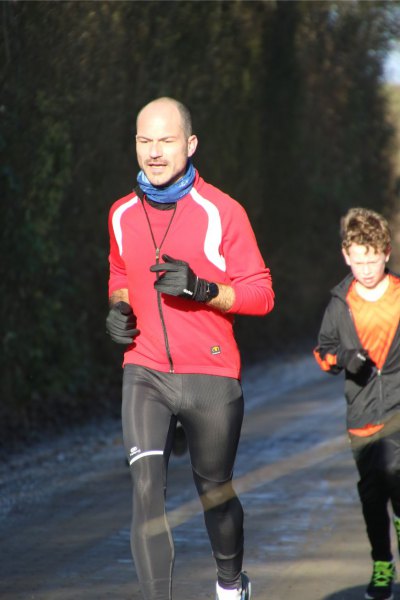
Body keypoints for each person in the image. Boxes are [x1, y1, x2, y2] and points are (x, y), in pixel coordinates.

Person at [106, 97, 275, 600]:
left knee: (215, 493)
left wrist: (202, 288)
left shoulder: (222, 211)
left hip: (211, 376)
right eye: (145, 141)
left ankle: (231, 585)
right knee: (145, 493)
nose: (154, 152)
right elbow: (120, 273)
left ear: (191, 144)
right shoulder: (121, 213)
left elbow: (262, 294)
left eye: (166, 140)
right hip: (145, 371)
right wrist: (118, 308)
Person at [314, 207, 400, 600]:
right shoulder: (340, 303)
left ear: (386, 253)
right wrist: (343, 358)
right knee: (372, 493)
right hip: (362, 413)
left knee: (397, 476)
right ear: (346, 256)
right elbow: (323, 352)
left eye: (373, 260)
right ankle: (382, 564)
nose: (365, 270)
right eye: (358, 261)